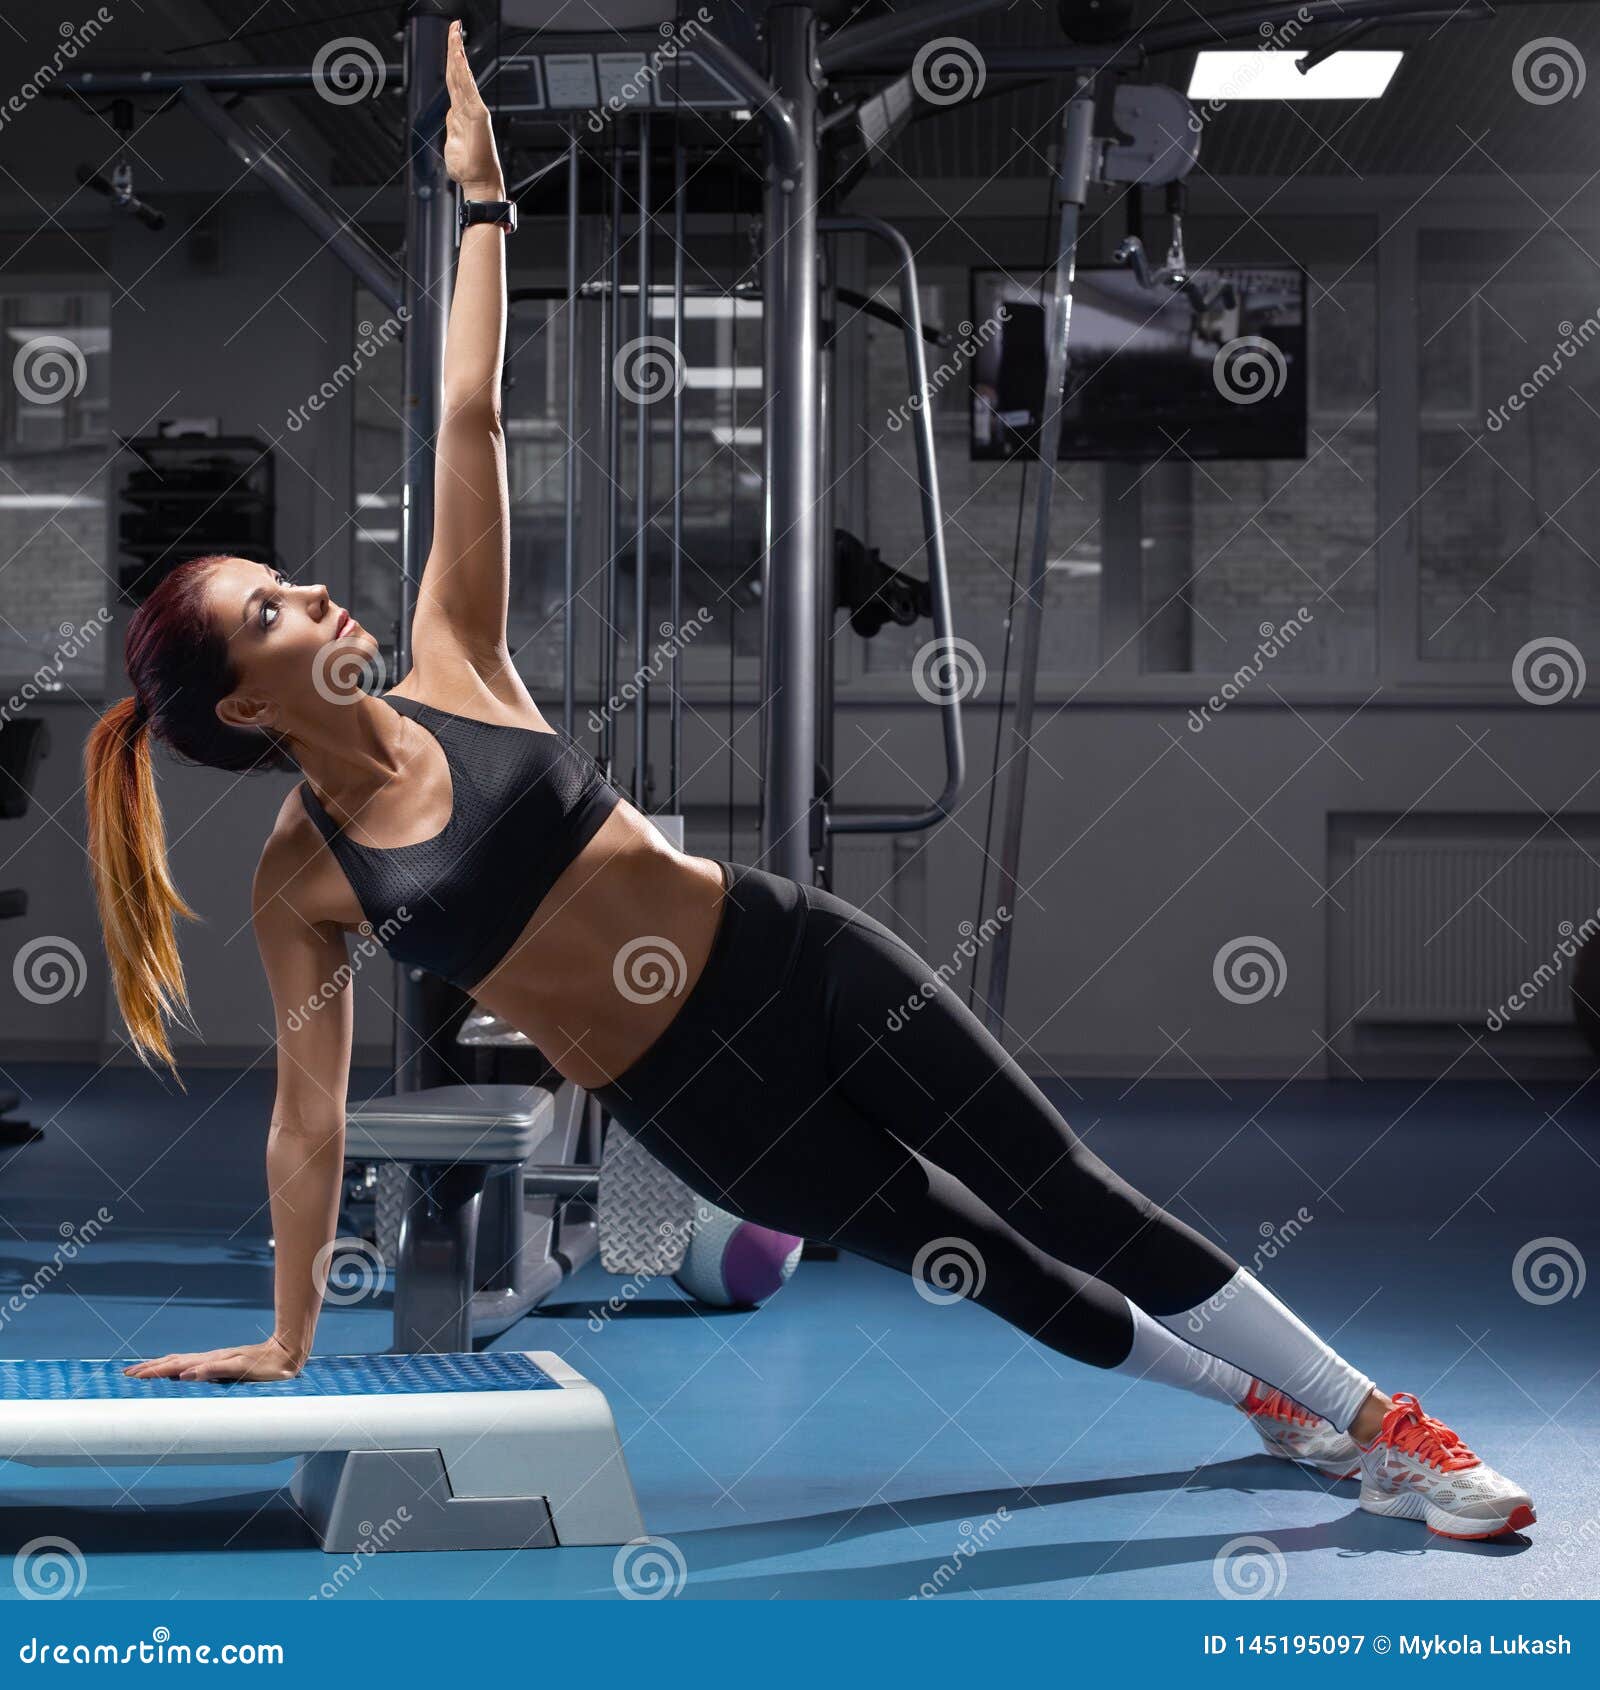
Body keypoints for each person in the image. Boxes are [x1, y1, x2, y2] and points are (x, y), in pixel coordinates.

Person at [82, 20, 1532, 1542]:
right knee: (986, 1264)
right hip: (694, 1103)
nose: (313, 597)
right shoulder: (304, 882)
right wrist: (292, 1333)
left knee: (1069, 1198)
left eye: (289, 581)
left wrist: (488, 204)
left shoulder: (454, 652)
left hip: (794, 959)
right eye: (272, 611)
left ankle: (1392, 1425)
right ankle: (1276, 1410)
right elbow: (305, 1121)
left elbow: (467, 413)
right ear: (245, 702)